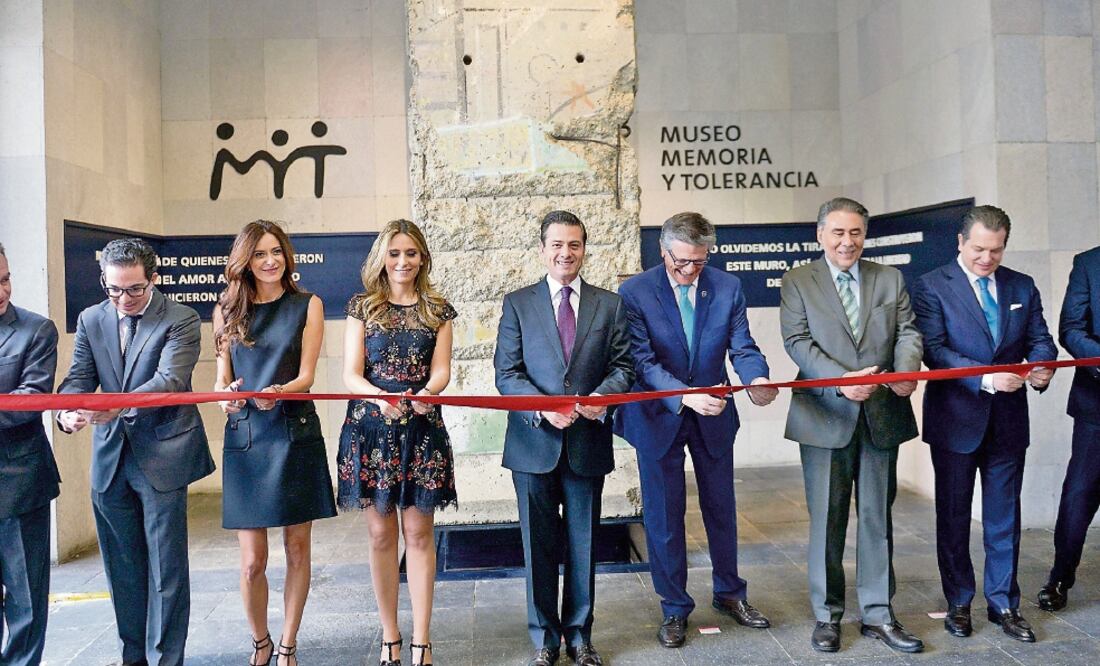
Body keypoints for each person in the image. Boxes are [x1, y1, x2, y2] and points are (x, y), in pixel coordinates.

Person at [613, 212, 778, 648]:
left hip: (715, 415)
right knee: (664, 518)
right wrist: (685, 395)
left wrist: (756, 379)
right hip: (658, 416)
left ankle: (730, 594)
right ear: (664, 251)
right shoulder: (634, 292)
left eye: (698, 262)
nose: (689, 271)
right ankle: (674, 608)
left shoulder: (726, 287)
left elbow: (743, 346)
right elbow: (641, 362)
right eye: (681, 262)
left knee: (722, 509)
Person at [57, 237, 215, 666]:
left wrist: (112, 404)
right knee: (122, 570)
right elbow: (78, 376)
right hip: (109, 459)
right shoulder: (92, 318)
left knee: (166, 571)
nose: (123, 299)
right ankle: (133, 657)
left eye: (134, 290)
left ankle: (166, 660)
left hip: (162, 454)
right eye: (113, 290)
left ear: (154, 279)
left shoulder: (181, 318)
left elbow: (168, 381)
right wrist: (68, 410)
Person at [779, 197, 924, 654]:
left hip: (882, 411)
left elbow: (908, 332)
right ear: (820, 234)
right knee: (827, 519)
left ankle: (879, 614)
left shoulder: (890, 278)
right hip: (824, 414)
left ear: (865, 235)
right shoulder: (798, 280)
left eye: (856, 233)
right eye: (838, 233)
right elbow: (797, 342)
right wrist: (841, 382)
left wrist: (904, 372)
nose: (847, 242)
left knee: (878, 519)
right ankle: (827, 616)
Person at [494, 210, 634, 666]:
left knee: (583, 544)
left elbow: (623, 368)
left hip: (587, 442)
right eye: (556, 244)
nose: (565, 253)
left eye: (573, 245)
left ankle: (579, 635)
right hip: (533, 444)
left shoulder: (609, 305)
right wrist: (543, 407)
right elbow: (507, 373)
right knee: (537, 547)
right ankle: (545, 639)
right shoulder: (518, 303)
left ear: (584, 249)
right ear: (542, 249)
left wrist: (601, 396)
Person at [911, 205, 1057, 642]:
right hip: (956, 420)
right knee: (954, 517)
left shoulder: (1021, 285)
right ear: (960, 242)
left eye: (995, 250)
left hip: (1009, 421)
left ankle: (1004, 604)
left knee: (1003, 517)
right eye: (978, 249)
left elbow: (1041, 339)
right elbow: (934, 352)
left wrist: (1043, 365)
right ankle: (959, 601)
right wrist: (987, 378)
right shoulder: (931, 286)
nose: (986, 258)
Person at [213, 220, 337, 666]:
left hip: (293, 431)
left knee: (298, 547)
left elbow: (306, 376)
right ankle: (260, 640)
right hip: (246, 438)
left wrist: (279, 392)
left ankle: (287, 642)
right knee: (252, 561)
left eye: (277, 252)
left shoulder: (308, 305)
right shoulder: (227, 309)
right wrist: (225, 397)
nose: (270, 261)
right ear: (245, 261)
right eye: (260, 254)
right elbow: (220, 380)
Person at [336, 219, 457, 666]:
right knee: (381, 534)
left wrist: (427, 395)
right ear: (381, 258)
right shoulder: (362, 307)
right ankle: (390, 636)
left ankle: (422, 641)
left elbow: (441, 370)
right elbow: (350, 373)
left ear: (422, 257)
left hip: (422, 430)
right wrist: (380, 398)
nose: (403, 261)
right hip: (371, 430)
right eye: (394, 253)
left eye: (410, 253)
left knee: (420, 534)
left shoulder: (438, 309)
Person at [0, 243, 60, 666]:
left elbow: (31, 398)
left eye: (4, 279)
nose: (1, 290)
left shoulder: (36, 331)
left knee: (25, 598)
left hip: (19, 482)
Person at [1040, 245, 1100, 612]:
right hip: (1098, 402)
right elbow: (1071, 329)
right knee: (1081, 492)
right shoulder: (1089, 263)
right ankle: (1061, 576)